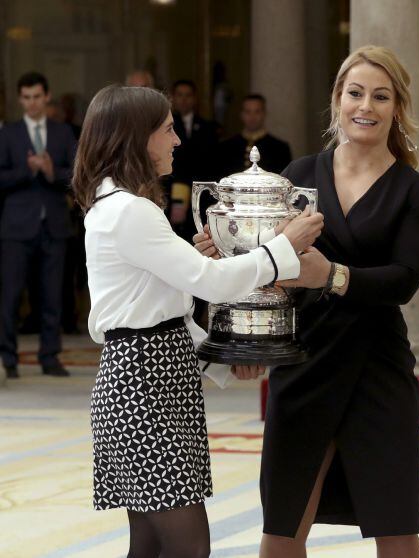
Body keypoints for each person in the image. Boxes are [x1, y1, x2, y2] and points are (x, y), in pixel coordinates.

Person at [196, 44, 419, 558]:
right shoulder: (298, 175)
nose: (365, 106)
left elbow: (403, 281)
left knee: (395, 527)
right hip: (304, 361)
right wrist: (228, 268)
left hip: (379, 367)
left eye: (380, 96)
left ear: (397, 107)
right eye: (355, 93)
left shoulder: (416, 191)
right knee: (283, 527)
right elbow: (267, 270)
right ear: (337, 100)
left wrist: (332, 275)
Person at [71, 84, 323, 558]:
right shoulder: (130, 210)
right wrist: (284, 247)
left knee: (148, 545)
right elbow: (212, 284)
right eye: (167, 130)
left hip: (147, 380)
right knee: (189, 547)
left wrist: (220, 363)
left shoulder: (120, 206)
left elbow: (157, 306)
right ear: (136, 137)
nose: (177, 140)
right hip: (143, 388)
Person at [0, 72, 77, 379]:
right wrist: (25, 169)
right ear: (21, 99)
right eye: (26, 97)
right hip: (16, 228)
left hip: (54, 226)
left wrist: (50, 170)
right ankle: (8, 358)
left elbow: (74, 176)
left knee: (51, 295)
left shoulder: (62, 133)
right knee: (10, 295)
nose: (32, 103)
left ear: (46, 97)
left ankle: (50, 356)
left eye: (37, 96)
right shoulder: (8, 133)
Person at [167, 79, 218, 239]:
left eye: (188, 95)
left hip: (201, 192)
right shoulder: (167, 125)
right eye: (179, 95)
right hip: (174, 188)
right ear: (173, 98)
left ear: (195, 98)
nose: (183, 99)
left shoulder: (208, 127)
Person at [217, 94, 292, 176]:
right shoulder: (226, 147)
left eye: (257, 112)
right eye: (248, 112)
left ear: (264, 114)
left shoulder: (280, 149)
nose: (252, 117)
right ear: (241, 114)